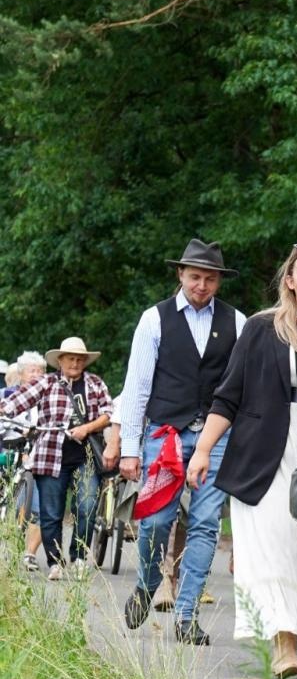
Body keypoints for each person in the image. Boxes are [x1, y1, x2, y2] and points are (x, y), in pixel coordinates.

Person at [186, 244, 297, 679]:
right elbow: (229, 394)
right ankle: (284, 645)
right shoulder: (262, 328)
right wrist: (203, 449)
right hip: (266, 451)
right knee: (274, 546)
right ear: (289, 280)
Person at [120, 239, 247, 644]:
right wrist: (128, 448)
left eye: (211, 279)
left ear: (219, 282)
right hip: (165, 435)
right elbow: (137, 386)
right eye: (195, 276)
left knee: (206, 523)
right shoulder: (153, 319)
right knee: (156, 520)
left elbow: (242, 385)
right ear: (180, 274)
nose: (202, 285)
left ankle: (187, 614)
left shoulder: (237, 322)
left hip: (217, 437)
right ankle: (146, 582)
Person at [0, 338, 112, 579]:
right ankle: (55, 561)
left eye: (80, 359)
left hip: (86, 455)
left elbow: (108, 413)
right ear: (59, 361)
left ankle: (80, 557)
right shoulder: (46, 382)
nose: (75, 363)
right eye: (70, 358)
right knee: (51, 512)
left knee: (87, 505)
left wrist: (88, 428)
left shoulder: (94, 383)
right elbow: (17, 401)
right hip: (51, 454)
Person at [8, 352, 47, 571]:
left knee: (42, 505)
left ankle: (29, 553)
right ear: (21, 374)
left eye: (41, 370)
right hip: (10, 446)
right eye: (33, 371)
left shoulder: (50, 397)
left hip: (37, 452)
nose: (38, 375)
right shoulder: (9, 394)